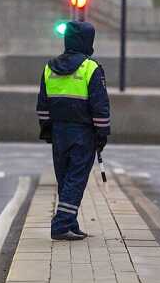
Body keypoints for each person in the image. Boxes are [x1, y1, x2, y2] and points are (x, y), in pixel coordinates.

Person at [36, 21, 110, 240]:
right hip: (83, 132)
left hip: (59, 132)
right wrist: (102, 133)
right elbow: (100, 105)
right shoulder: (91, 68)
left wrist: (47, 129)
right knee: (76, 179)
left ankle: (70, 222)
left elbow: (42, 104)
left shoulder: (50, 67)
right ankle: (61, 225)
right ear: (88, 41)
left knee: (65, 178)